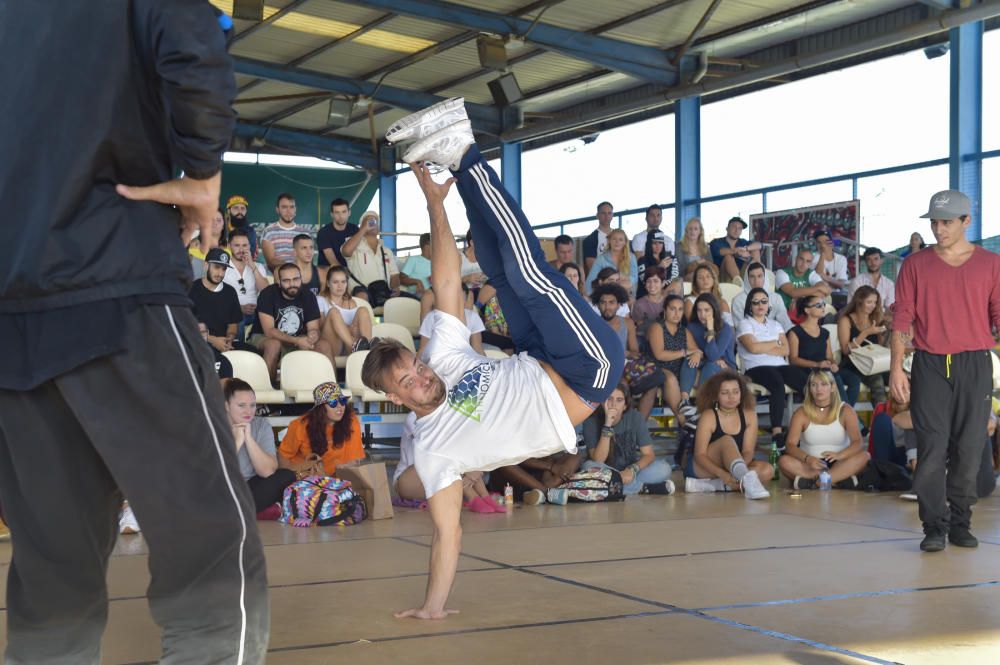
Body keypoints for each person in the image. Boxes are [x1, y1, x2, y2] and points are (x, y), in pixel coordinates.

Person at [0, 3, 269, 662]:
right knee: (212, 546)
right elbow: (194, 49)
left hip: (10, 311)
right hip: (114, 278)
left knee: (51, 570)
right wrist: (203, 173)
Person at [368, 100, 625, 620]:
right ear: (395, 399)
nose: (422, 375)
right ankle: (464, 149)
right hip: (587, 372)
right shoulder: (435, 455)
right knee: (526, 272)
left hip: (537, 358)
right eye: (409, 382)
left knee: (499, 271)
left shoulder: (440, 359)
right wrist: (432, 606)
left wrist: (435, 204)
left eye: (415, 366)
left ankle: (455, 170)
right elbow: (447, 533)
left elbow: (445, 281)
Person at [890, 189, 1000, 552]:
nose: (939, 230)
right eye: (934, 222)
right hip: (930, 363)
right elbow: (902, 317)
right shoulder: (915, 264)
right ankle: (933, 526)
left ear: (967, 221)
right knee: (933, 448)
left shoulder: (990, 264)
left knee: (970, 448)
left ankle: (960, 523)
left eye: (947, 222)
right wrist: (896, 368)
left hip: (974, 363)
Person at [683, 372, 772, 498]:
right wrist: (722, 473)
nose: (731, 397)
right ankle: (747, 481)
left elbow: (748, 452)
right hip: (704, 467)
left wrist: (736, 472)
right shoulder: (709, 416)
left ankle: (713, 486)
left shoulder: (750, 415)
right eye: (725, 393)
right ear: (715, 396)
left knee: (767, 470)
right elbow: (699, 455)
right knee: (727, 440)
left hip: (735, 467)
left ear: (742, 393)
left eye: (736, 392)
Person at [394, 413, 506, 513]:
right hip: (408, 482)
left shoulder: (446, 414)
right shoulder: (414, 416)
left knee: (459, 454)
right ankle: (473, 498)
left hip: (432, 480)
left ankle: (484, 497)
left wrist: (475, 468)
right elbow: (436, 448)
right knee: (445, 457)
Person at [778, 370, 870, 490]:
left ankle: (814, 483)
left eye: (824, 384)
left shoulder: (846, 410)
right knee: (784, 461)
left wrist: (840, 455)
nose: (818, 389)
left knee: (865, 456)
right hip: (811, 465)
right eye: (814, 385)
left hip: (840, 463)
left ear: (832, 387)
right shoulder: (801, 412)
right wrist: (808, 459)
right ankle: (837, 481)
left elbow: (858, 442)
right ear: (810, 389)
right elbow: (790, 445)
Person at [737, 287, 803, 448]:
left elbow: (786, 350)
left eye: (764, 301)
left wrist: (762, 345)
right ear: (750, 306)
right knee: (777, 383)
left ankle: (806, 427)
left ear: (769, 305)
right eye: (756, 302)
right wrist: (775, 343)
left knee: (806, 380)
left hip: (780, 365)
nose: (760, 305)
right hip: (756, 367)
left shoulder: (776, 324)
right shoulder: (745, 324)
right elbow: (752, 349)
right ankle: (777, 433)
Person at [581, 382, 675, 495]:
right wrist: (607, 424)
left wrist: (632, 470)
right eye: (609, 399)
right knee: (588, 467)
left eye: (619, 400)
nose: (613, 404)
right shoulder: (591, 421)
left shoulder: (635, 417)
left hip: (631, 472)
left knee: (664, 468)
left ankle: (614, 488)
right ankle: (641, 488)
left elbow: (649, 454)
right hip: (605, 471)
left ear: (625, 405)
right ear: (602, 402)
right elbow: (598, 459)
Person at [224, 378, 296, 519]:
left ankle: (238, 512)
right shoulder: (213, 425)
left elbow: (267, 472)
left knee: (286, 475)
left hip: (249, 489)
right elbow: (215, 473)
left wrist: (249, 439)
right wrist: (237, 442)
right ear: (226, 406)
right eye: (241, 405)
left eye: (252, 405)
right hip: (221, 487)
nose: (248, 411)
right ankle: (249, 511)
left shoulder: (261, 425)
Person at [250, 263, 334, 383]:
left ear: (301, 279)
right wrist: (297, 341)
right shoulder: (267, 294)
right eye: (286, 281)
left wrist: (312, 335)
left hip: (298, 337)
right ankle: (267, 393)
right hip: (264, 337)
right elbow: (269, 331)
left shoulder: (308, 296)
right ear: (279, 282)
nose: (292, 284)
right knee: (274, 345)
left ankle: (333, 395)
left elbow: (313, 328)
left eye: (296, 279)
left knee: (324, 345)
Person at [592, 283, 662, 419]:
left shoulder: (627, 323)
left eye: (611, 302)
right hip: (602, 369)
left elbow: (635, 352)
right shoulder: (593, 324)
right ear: (598, 305)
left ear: (618, 305)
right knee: (621, 385)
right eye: (603, 303)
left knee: (653, 384)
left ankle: (638, 425)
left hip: (625, 367)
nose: (607, 307)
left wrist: (625, 354)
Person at [278, 382, 366, 476]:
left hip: (337, 478)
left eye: (342, 401)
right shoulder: (299, 426)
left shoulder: (351, 421)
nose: (340, 406)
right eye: (333, 402)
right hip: (305, 478)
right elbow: (283, 459)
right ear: (321, 408)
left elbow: (354, 461)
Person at [680, 294, 737, 411]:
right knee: (690, 360)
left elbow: (713, 355)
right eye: (699, 310)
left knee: (710, 365)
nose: (702, 314)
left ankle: (701, 404)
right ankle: (684, 401)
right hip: (705, 360)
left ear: (714, 310)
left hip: (726, 366)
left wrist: (710, 330)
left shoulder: (725, 328)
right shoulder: (693, 326)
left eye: (706, 310)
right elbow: (700, 352)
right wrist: (697, 353)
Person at [788, 295, 847, 402]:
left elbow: (829, 356)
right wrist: (817, 364)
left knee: (837, 376)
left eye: (824, 304)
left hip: (824, 369)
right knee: (830, 379)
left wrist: (833, 363)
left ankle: (843, 412)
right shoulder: (795, 332)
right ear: (807, 310)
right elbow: (793, 359)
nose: (823, 307)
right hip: (805, 370)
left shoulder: (824, 332)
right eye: (818, 305)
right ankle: (842, 412)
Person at [837, 285, 888, 406]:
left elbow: (880, 348)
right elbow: (845, 350)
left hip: (875, 362)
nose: (873, 306)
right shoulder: (846, 319)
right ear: (859, 301)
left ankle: (898, 416)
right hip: (855, 363)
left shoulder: (875, 318)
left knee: (900, 377)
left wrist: (885, 333)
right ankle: (880, 419)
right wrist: (866, 333)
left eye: (875, 302)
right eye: (869, 302)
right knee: (877, 381)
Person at [647, 294, 691, 428]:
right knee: (670, 379)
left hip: (678, 369)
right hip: (657, 368)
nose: (677, 313)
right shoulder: (657, 327)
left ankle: (707, 422)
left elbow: (696, 350)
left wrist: (696, 354)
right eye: (673, 309)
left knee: (711, 377)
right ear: (665, 310)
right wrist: (684, 352)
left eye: (680, 309)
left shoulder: (683, 330)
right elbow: (659, 355)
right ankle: (684, 423)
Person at [189, 248, 243, 354]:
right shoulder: (191, 289)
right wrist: (212, 340)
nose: (220, 273)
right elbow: (185, 325)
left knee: (252, 354)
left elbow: (233, 326)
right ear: (206, 265)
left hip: (224, 344)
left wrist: (229, 339)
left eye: (224, 269)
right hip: (198, 344)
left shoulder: (230, 292)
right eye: (217, 267)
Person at [342, 210, 403, 299]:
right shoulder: (353, 245)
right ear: (361, 226)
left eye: (375, 221)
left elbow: (394, 275)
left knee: (414, 300)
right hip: (361, 290)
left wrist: (395, 287)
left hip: (382, 291)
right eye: (368, 221)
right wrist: (363, 229)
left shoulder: (387, 251)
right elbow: (346, 251)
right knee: (362, 295)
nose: (372, 223)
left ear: (378, 228)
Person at [224, 228, 270, 342]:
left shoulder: (257, 267)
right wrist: (238, 308)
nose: (241, 249)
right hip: (230, 312)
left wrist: (252, 265)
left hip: (255, 313)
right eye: (237, 245)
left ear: (250, 246)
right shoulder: (223, 267)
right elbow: (216, 296)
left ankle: (254, 346)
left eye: (245, 245)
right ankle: (239, 350)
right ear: (229, 245)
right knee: (236, 317)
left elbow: (266, 292)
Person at [318, 265, 374, 355]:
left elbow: (357, 329)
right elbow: (320, 328)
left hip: (349, 348)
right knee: (333, 312)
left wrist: (353, 329)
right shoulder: (321, 300)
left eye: (343, 282)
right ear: (328, 283)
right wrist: (348, 328)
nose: (340, 286)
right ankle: (355, 345)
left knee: (363, 310)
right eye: (335, 282)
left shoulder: (351, 302)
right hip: (333, 346)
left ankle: (368, 348)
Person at [731, 262, 793, 331]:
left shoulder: (776, 298)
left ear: (765, 277)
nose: (756, 281)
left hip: (775, 336)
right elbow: (740, 329)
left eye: (759, 276)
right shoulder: (738, 300)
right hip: (750, 338)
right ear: (747, 279)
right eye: (752, 276)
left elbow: (786, 324)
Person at [776, 248, 832, 314]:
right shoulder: (782, 273)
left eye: (808, 261)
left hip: (805, 312)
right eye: (801, 259)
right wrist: (818, 288)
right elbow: (793, 292)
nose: (803, 264)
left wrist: (800, 298)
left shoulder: (811, 273)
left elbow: (826, 291)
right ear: (796, 259)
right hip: (784, 312)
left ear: (810, 263)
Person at [585, 228, 638, 298]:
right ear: (609, 241)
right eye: (614, 239)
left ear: (625, 242)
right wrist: (589, 297)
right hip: (606, 295)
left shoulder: (631, 257)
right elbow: (590, 281)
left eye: (620, 240)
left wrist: (613, 283)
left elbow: (634, 279)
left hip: (627, 295)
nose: (617, 242)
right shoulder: (601, 258)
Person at [709, 216, 761, 282]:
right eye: (734, 227)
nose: (737, 230)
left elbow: (759, 245)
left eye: (740, 228)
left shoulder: (743, 242)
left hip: (742, 275)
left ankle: (757, 279)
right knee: (728, 257)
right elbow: (718, 251)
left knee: (755, 250)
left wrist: (746, 249)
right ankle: (739, 284)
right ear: (727, 228)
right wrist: (736, 251)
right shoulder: (717, 241)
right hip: (723, 277)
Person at [848, 247, 895, 312]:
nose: (873, 263)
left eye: (876, 259)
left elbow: (890, 307)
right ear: (865, 262)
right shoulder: (857, 281)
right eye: (869, 259)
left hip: (882, 318)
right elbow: (852, 306)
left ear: (881, 261)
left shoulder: (889, 284)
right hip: (861, 317)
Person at [317, 197, 359, 268]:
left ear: (349, 213)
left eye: (344, 212)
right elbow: (333, 262)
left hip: (351, 272)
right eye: (337, 212)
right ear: (332, 214)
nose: (341, 216)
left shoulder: (355, 230)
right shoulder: (324, 232)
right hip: (329, 273)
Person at [637, 230, 679, 297]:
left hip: (669, 295)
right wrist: (659, 267)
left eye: (660, 242)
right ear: (649, 244)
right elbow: (646, 282)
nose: (658, 245)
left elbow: (675, 280)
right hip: (649, 295)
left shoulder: (671, 259)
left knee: (679, 282)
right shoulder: (642, 261)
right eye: (654, 243)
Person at [632, 265, 668, 333]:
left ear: (663, 283)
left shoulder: (669, 301)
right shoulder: (639, 304)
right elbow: (640, 329)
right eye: (648, 281)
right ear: (645, 284)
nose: (652, 285)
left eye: (656, 281)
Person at [583, 200, 615, 274]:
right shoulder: (590, 240)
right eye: (603, 213)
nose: (606, 216)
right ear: (597, 215)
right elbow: (592, 268)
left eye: (609, 213)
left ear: (612, 215)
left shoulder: (620, 237)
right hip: (602, 280)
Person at [225, 194, 257, 259]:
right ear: (228, 211)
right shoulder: (221, 228)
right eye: (235, 208)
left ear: (246, 211)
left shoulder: (250, 231)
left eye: (243, 208)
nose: (240, 212)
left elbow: (248, 255)